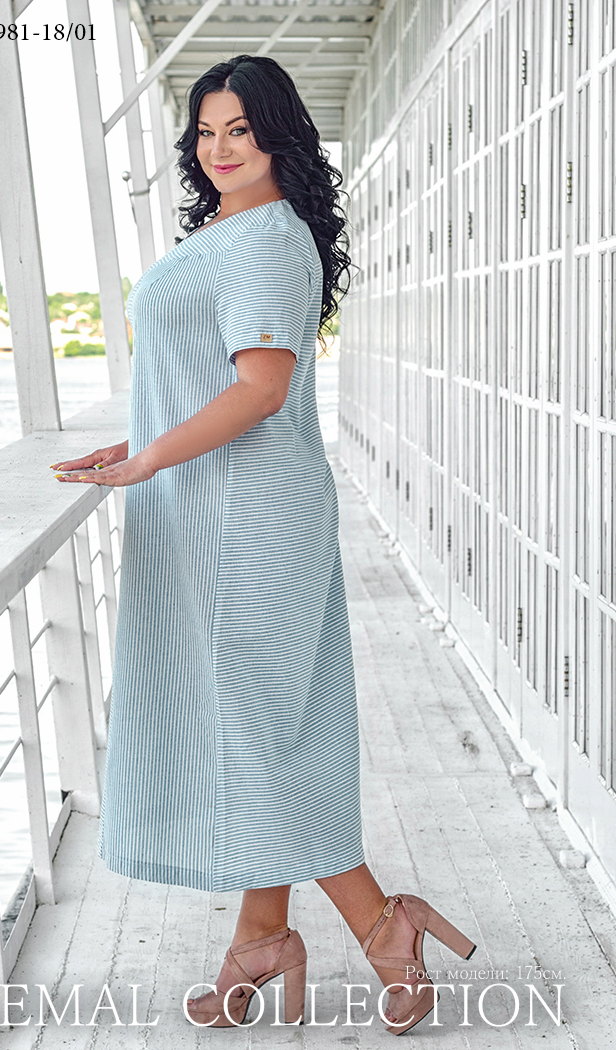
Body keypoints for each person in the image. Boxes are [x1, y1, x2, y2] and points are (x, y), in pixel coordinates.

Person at [50, 53, 476, 1035]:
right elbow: (209, 374)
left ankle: (382, 924)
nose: (219, 148)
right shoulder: (233, 231)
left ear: (278, 134)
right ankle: (262, 935)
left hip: (244, 520)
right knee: (263, 727)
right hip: (217, 508)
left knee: (256, 734)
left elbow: (261, 390)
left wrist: (150, 457)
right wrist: (138, 437)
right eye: (206, 132)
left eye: (238, 129)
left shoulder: (268, 243)